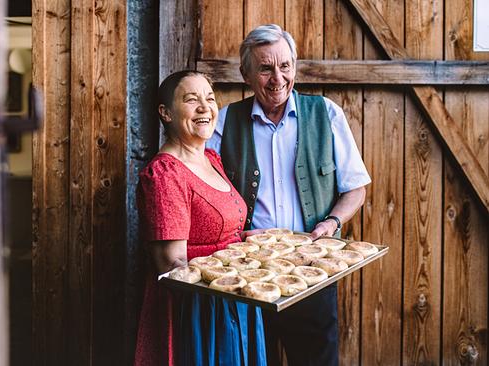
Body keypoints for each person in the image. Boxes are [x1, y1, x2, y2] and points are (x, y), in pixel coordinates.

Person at [206, 24, 371, 366]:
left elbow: (356, 188)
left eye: (285, 66)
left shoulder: (326, 114)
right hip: (247, 274)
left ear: (295, 67)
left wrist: (331, 222)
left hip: (313, 271)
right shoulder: (225, 121)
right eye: (265, 68)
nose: (277, 78)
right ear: (246, 74)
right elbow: (207, 192)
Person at [134, 70, 267, 366]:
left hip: (233, 296)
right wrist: (235, 263)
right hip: (198, 311)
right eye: (191, 100)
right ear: (166, 112)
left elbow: (215, 234)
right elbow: (172, 264)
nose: (205, 107)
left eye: (209, 98)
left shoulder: (211, 160)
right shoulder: (165, 175)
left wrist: (248, 243)